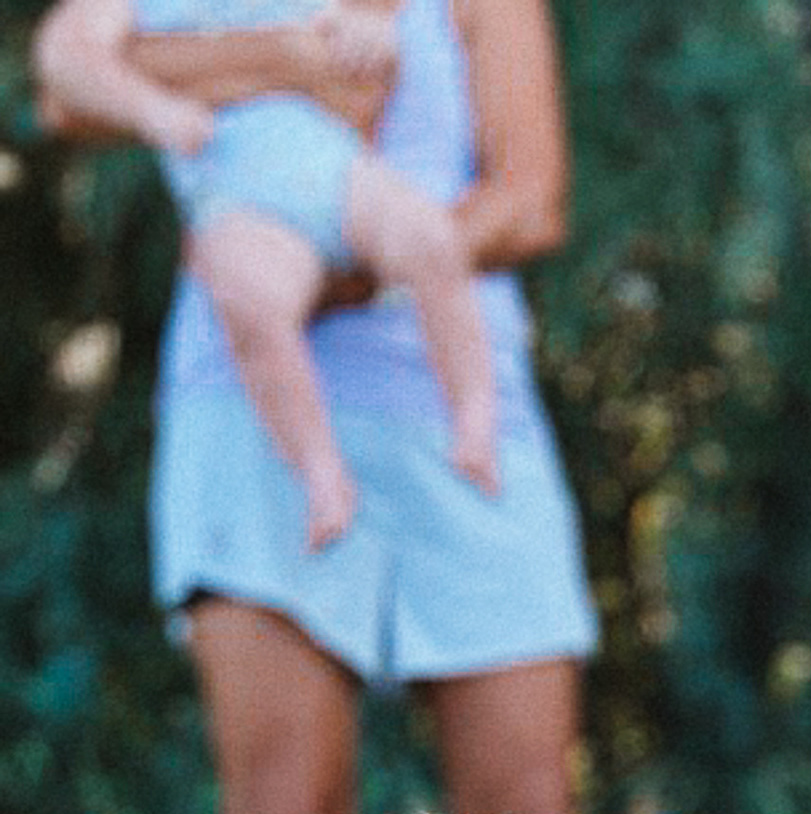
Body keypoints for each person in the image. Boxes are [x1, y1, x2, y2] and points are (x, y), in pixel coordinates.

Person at [33, 0, 595, 814]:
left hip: (454, 410)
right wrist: (282, 60)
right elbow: (66, 86)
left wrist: (354, 256)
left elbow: (529, 195)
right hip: (253, 419)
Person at [35, 0, 499, 552]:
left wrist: (367, 37)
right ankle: (320, 472)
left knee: (434, 240)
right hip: (236, 200)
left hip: (334, 171)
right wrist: (148, 109)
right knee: (251, 311)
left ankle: (474, 417)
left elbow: (364, 40)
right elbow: (63, 58)